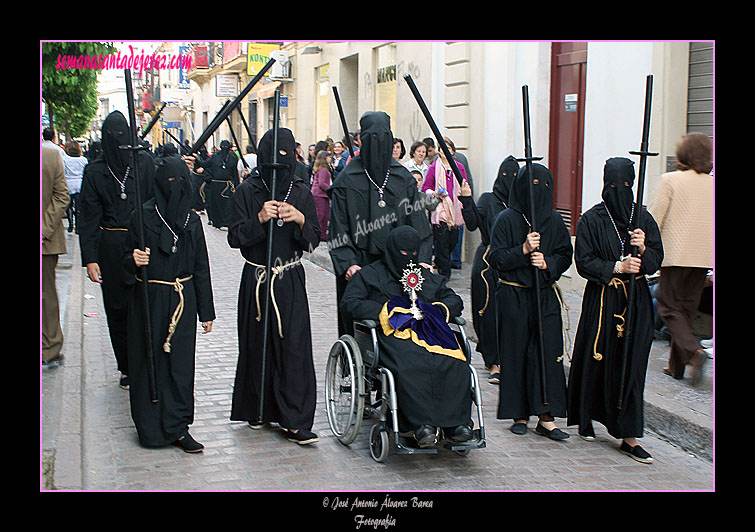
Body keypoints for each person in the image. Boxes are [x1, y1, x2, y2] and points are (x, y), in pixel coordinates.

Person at [228, 127, 321, 445]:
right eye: (274, 156)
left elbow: (314, 239)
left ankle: (295, 419)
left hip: (290, 279)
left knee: (293, 347)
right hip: (255, 279)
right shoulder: (247, 190)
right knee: (256, 344)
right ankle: (258, 409)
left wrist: (299, 220)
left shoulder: (301, 192)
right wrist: (259, 219)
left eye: (287, 155)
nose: (280, 163)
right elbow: (234, 237)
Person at [566, 157, 664, 463]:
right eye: (613, 185)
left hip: (635, 303)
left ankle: (629, 436)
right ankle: (586, 417)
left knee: (631, 366)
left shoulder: (643, 219)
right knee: (596, 358)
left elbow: (657, 259)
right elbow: (583, 262)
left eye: (625, 185)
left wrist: (644, 249)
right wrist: (617, 266)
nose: (619, 191)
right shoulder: (592, 219)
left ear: (632, 185)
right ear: (605, 184)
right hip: (603, 300)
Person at [341, 226, 473, 447]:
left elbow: (453, 299)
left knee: (454, 361)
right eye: (403, 254)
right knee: (411, 363)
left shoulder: (424, 276)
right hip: (394, 335)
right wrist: (390, 312)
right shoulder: (371, 275)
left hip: (431, 334)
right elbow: (351, 302)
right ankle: (420, 425)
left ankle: (456, 423)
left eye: (413, 253)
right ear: (392, 250)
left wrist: (436, 311)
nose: (409, 258)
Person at [125, 154, 215, 453]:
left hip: (182, 298)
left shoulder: (192, 221)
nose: (175, 187)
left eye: (180, 181)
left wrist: (207, 311)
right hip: (149, 298)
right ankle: (150, 427)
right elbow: (122, 262)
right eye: (169, 182)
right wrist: (133, 260)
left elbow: (201, 266)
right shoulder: (142, 215)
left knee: (179, 365)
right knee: (148, 362)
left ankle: (178, 426)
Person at [328, 111, 434, 337]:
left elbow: (419, 224)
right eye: (372, 138)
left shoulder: (402, 178)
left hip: (398, 264)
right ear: (362, 140)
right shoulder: (346, 180)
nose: (379, 144)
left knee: (401, 322)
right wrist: (348, 263)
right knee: (362, 325)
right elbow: (338, 227)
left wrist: (422, 259)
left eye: (384, 138)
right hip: (360, 263)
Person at [488, 163, 573, 440]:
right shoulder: (506, 219)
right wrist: (523, 251)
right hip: (514, 295)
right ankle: (519, 413)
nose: (539, 191)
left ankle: (547, 416)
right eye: (532, 185)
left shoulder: (555, 220)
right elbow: (497, 259)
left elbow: (564, 254)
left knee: (548, 354)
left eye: (545, 185)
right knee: (516, 353)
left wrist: (548, 263)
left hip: (544, 295)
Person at [78, 111, 156, 389]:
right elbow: (87, 217)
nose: (119, 140)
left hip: (143, 243)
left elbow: (158, 200)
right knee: (117, 309)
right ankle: (125, 366)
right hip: (111, 247)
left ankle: (147, 363)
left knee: (147, 305)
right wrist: (90, 258)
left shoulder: (144, 163)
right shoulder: (96, 171)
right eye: (114, 135)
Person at [649, 132, 713, 386]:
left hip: (675, 254)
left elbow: (655, 218)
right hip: (702, 257)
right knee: (685, 309)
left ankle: (695, 352)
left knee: (668, 307)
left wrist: (646, 246)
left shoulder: (670, 180)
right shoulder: (712, 183)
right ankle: (676, 367)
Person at [459, 155, 519, 383]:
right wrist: (467, 201)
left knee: (510, 313)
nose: (510, 180)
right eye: (505, 175)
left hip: (512, 261)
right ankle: (493, 361)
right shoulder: (488, 199)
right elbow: (474, 223)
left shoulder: (520, 203)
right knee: (488, 312)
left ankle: (510, 359)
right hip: (487, 262)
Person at [421, 140, 469, 280]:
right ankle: (444, 273)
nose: (445, 151)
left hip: (455, 209)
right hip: (440, 208)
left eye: (448, 148)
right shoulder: (433, 167)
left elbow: (464, 184)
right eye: (442, 148)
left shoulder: (459, 167)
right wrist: (435, 192)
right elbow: (426, 188)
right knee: (441, 242)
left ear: (453, 151)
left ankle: (441, 262)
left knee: (452, 241)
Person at [42, 138, 70, 367]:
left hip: (45, 241)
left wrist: (44, 228)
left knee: (45, 295)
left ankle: (50, 349)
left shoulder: (50, 157)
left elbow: (62, 196)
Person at [195, 139, 238, 229]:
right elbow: (205, 164)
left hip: (226, 185)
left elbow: (204, 164)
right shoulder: (219, 157)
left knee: (225, 204)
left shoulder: (230, 157)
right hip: (218, 184)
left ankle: (223, 222)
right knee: (216, 204)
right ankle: (218, 222)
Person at [63, 141, 87, 234]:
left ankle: (70, 224)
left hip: (68, 184)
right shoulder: (83, 160)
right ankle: (78, 226)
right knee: (78, 206)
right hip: (80, 184)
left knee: (69, 206)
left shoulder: (65, 159)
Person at [311, 150, 333, 241]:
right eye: (329, 156)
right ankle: (319, 233)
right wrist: (330, 189)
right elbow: (322, 183)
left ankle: (322, 233)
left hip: (322, 195)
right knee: (321, 215)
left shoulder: (322, 169)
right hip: (319, 195)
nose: (330, 158)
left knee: (325, 215)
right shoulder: (323, 170)